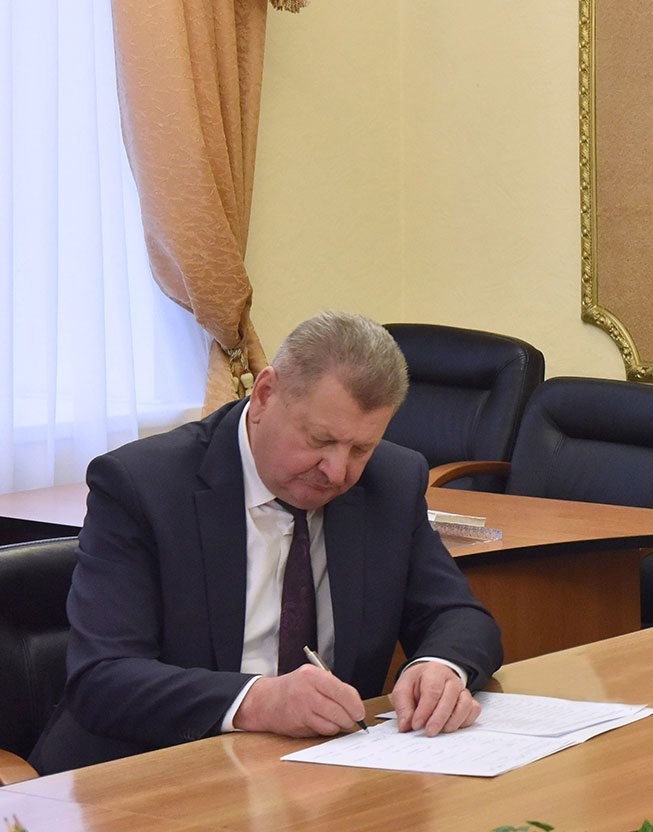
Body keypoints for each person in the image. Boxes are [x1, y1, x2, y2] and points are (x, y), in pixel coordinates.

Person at [32, 312, 504, 774]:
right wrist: (260, 700)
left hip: (317, 774)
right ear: (263, 396)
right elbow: (103, 677)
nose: (337, 471)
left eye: (361, 448)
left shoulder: (391, 481)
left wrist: (440, 666)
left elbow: (458, 616)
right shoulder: (142, 486)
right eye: (320, 440)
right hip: (147, 774)